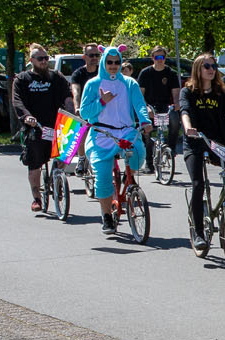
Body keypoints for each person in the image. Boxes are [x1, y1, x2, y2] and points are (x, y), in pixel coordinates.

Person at [78, 47, 150, 235]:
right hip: (101, 134)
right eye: (109, 62)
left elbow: (140, 105)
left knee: (139, 152)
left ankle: (129, 180)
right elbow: (85, 112)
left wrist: (145, 120)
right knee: (102, 178)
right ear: (103, 62)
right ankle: (107, 216)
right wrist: (102, 101)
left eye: (117, 62)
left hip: (125, 132)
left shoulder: (129, 83)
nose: (113, 66)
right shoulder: (93, 84)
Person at [179, 53, 225, 242]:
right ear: (198, 69)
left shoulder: (220, 93)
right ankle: (199, 233)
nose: (211, 70)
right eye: (206, 66)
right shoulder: (188, 92)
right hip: (195, 142)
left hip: (217, 142)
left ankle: (223, 201)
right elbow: (184, 111)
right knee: (198, 185)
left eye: (214, 66)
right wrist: (188, 127)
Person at [11, 44, 75, 210]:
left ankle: (57, 178)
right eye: (40, 59)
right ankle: (37, 199)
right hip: (35, 127)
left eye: (46, 58)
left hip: (56, 125)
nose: (44, 61)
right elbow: (17, 101)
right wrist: (27, 117)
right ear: (32, 60)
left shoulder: (56, 77)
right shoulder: (22, 79)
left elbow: (67, 96)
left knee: (65, 153)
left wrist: (71, 111)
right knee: (35, 164)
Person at [135, 46, 181, 172]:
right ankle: (149, 162)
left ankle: (170, 148)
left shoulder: (170, 73)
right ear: (152, 58)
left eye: (162, 57)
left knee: (175, 119)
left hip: (165, 105)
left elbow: (176, 93)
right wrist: (146, 109)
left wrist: (176, 104)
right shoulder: (145, 73)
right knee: (149, 132)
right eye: (157, 57)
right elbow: (140, 95)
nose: (160, 60)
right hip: (150, 105)